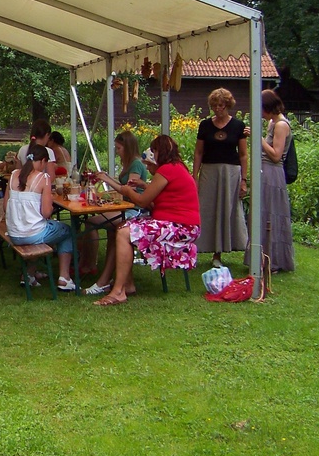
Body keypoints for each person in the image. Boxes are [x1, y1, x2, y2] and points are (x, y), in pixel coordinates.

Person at [93, 135, 200, 305]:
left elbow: (142, 201)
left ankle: (118, 291)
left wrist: (127, 191)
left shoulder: (166, 170)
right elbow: (161, 197)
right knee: (122, 227)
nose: (153, 154)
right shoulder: (176, 167)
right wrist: (144, 186)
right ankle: (127, 285)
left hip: (180, 227)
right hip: (181, 224)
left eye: (154, 150)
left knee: (124, 232)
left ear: (160, 151)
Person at [5, 144, 79, 291]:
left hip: (14, 233)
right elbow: (46, 213)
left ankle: (29, 275)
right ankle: (64, 278)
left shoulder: (13, 175)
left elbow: (5, 206)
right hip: (31, 234)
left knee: (38, 230)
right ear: (43, 161)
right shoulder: (43, 178)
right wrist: (50, 205)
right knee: (67, 231)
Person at [81, 130, 148, 283]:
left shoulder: (136, 165)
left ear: (128, 148)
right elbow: (123, 187)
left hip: (135, 210)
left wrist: (107, 180)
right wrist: (107, 178)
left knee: (90, 222)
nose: (117, 152)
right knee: (108, 230)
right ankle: (98, 268)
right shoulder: (130, 163)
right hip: (127, 207)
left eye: (119, 148)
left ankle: (89, 264)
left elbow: (128, 190)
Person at [193, 88, 249, 267]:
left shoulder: (239, 126)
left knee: (227, 209)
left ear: (228, 106)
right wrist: (195, 176)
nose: (218, 109)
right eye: (215, 105)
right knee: (207, 209)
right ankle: (200, 248)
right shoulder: (205, 125)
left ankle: (220, 253)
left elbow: (243, 155)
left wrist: (244, 180)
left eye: (221, 106)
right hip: (209, 171)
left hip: (231, 172)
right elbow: (199, 152)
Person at [249, 89, 295, 273]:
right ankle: (261, 257)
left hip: (273, 172)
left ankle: (274, 261)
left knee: (272, 214)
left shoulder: (281, 125)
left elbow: (276, 155)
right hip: (264, 170)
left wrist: (258, 138)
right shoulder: (272, 122)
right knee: (263, 213)